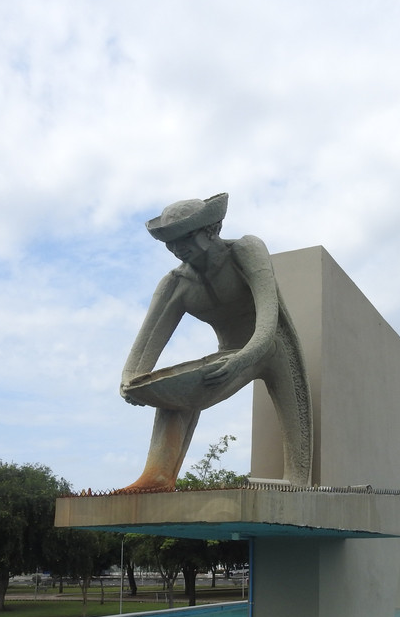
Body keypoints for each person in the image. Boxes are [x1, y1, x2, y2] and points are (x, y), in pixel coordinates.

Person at [119, 193, 312, 491]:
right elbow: (142, 352)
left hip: (271, 346)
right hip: (230, 356)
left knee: (297, 476)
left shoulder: (246, 250)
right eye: (169, 241)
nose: (176, 248)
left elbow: (268, 322)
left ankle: (297, 478)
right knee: (172, 390)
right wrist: (130, 383)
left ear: (212, 230)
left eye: (184, 237)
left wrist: (241, 359)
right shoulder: (175, 284)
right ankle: (158, 475)